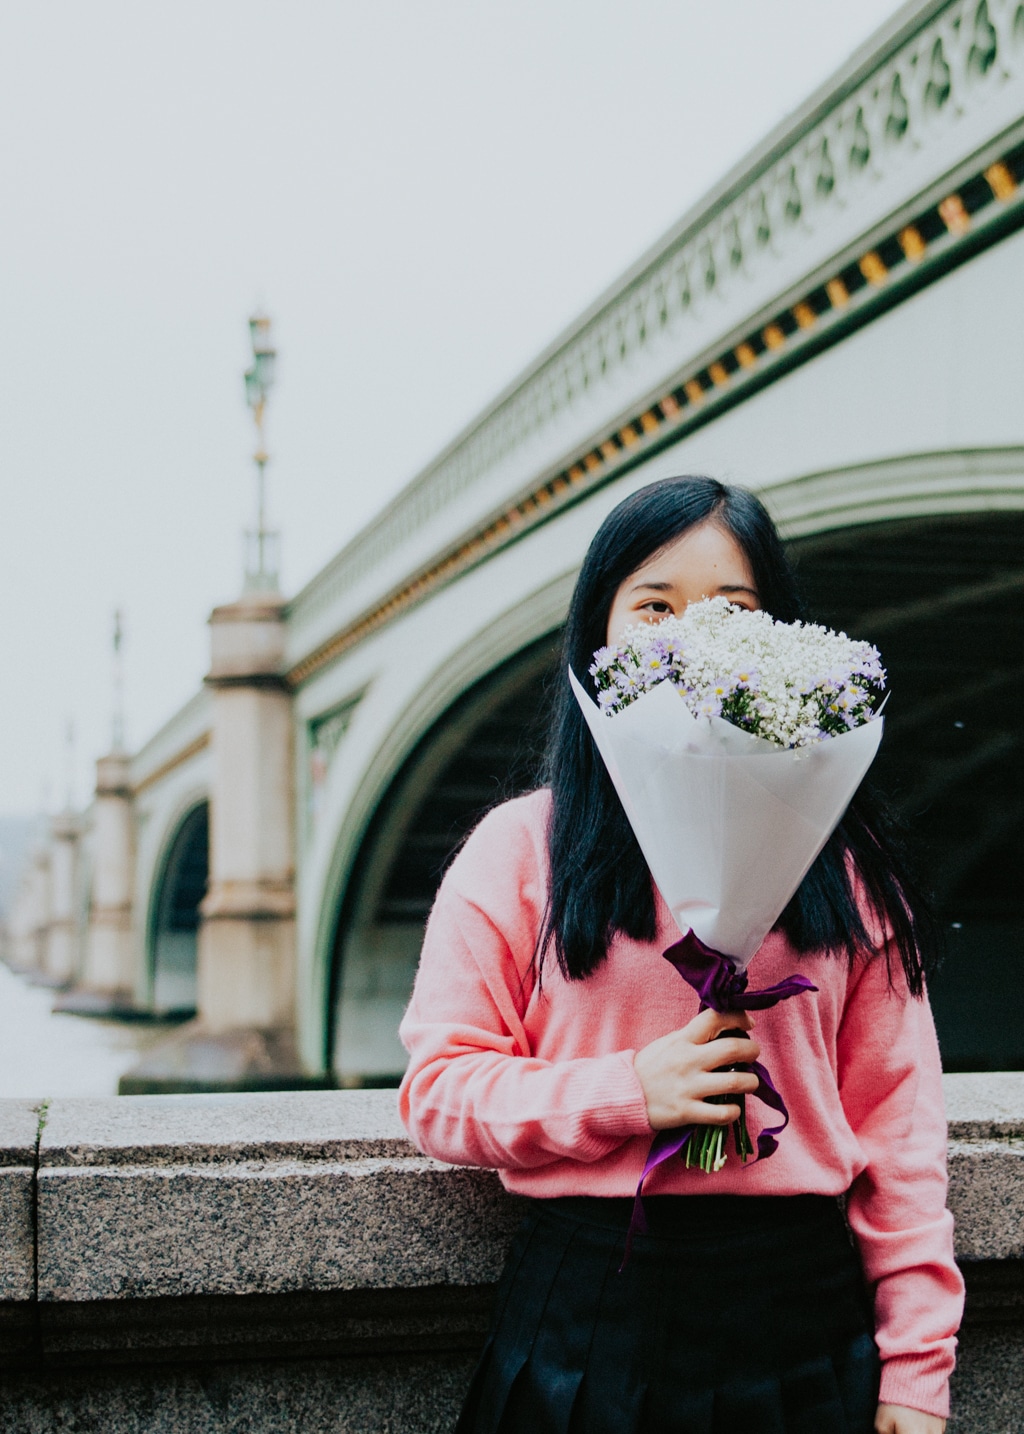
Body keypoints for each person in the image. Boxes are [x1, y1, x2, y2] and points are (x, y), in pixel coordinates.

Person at [399, 476, 964, 1434]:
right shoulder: (521, 849)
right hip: (587, 1313)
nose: (691, 638)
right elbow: (439, 1092)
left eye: (732, 611)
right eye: (654, 607)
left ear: (781, 640)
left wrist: (917, 1371)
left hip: (797, 1310)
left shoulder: (848, 870)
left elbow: (903, 1135)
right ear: (599, 635)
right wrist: (631, 1092)